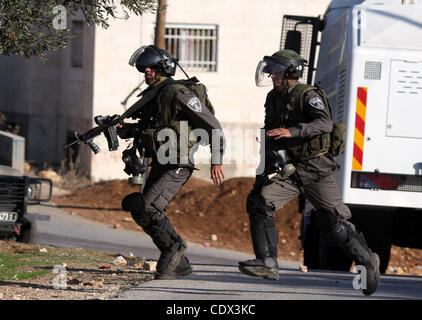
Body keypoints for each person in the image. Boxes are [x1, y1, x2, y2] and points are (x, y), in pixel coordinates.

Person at [238, 49, 380, 296]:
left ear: (291, 72)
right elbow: (269, 135)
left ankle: (367, 260)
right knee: (260, 202)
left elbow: (324, 124)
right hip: (290, 169)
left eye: (277, 72)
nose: (272, 76)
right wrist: (262, 176)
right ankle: (268, 263)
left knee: (331, 222)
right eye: (271, 72)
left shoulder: (309, 95)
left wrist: (293, 132)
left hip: (316, 169)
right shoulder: (273, 98)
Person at [118, 45, 225, 279]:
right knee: (141, 210)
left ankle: (174, 248)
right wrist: (131, 131)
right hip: (160, 161)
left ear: (163, 68)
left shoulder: (178, 92)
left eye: (152, 67)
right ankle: (181, 263)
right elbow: (155, 126)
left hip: (178, 163)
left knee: (148, 207)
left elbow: (213, 126)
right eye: (144, 67)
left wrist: (217, 161)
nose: (146, 71)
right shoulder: (154, 95)